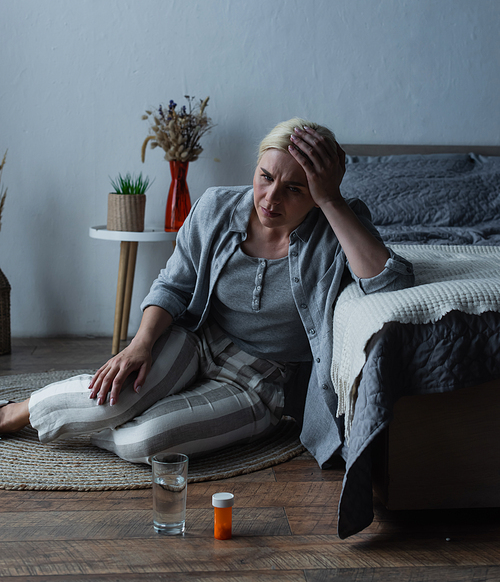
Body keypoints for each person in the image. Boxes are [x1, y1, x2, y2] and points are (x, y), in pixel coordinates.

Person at [0, 118, 414, 466]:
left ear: (318, 193)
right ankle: (15, 412)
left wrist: (330, 199)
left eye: (295, 189)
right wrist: (141, 344)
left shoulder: (338, 228)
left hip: (259, 382)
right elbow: (174, 284)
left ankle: (97, 417)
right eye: (266, 177)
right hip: (195, 339)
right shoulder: (215, 207)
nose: (270, 198)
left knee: (144, 442)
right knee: (114, 399)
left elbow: (389, 281)